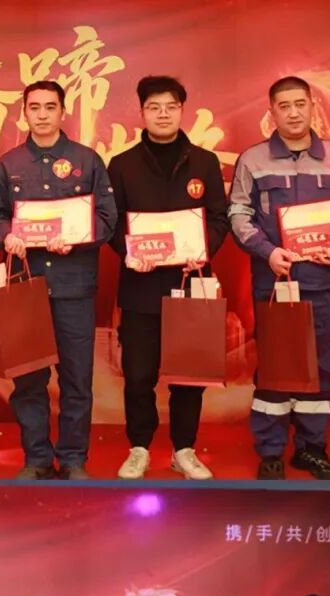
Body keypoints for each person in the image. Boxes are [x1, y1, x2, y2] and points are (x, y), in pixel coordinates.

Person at [228, 76, 330, 480]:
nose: (294, 112)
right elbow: (238, 214)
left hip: (322, 282)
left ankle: (311, 449)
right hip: (276, 283)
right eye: (284, 106)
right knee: (275, 368)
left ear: (313, 106)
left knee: (321, 368)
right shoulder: (253, 159)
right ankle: (270, 450)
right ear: (272, 113)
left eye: (300, 103)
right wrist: (268, 252)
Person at [0, 81, 117, 479]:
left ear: (63, 112)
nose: (42, 114)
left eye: (49, 107)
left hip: (73, 285)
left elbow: (107, 218)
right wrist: (6, 236)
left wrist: (78, 237)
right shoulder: (9, 164)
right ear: (24, 113)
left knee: (77, 378)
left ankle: (74, 458)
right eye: (34, 107)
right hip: (26, 285)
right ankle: (38, 459)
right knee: (29, 378)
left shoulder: (87, 160)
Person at [108, 75, 229, 480]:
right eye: (154, 107)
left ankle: (184, 449)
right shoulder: (122, 165)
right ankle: (139, 448)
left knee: (189, 375)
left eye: (171, 107)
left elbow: (219, 218)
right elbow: (111, 222)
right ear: (142, 113)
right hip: (141, 286)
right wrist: (130, 252)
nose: (163, 114)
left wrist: (202, 250)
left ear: (182, 111)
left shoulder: (204, 162)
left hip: (191, 282)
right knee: (138, 375)